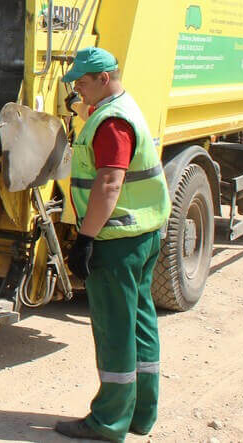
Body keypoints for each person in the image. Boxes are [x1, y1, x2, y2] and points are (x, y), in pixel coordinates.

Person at [55, 47, 171, 441]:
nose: (78, 90)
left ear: (104, 78)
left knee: (115, 328)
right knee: (140, 322)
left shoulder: (111, 122)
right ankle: (140, 415)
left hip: (117, 239)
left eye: (83, 82)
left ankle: (108, 422)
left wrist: (85, 238)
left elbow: (109, 183)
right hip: (142, 233)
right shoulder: (124, 107)